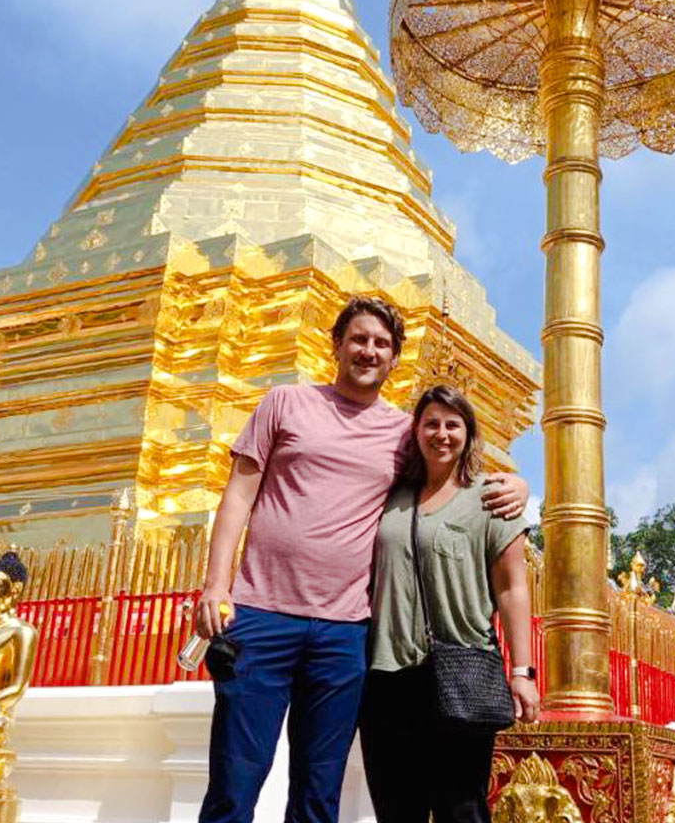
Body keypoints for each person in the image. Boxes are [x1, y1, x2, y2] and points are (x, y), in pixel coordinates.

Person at [194, 297, 529, 823]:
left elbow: (453, 472)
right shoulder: (284, 404)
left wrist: (518, 483)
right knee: (236, 781)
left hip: (345, 630)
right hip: (262, 614)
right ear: (337, 345)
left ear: (395, 358)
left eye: (381, 344)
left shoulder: (404, 434)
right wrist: (216, 586)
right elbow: (238, 495)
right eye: (359, 339)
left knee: (318, 790)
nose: (368, 351)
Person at [359, 385, 541, 823]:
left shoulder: (492, 498)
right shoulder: (391, 498)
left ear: (469, 434)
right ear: (416, 432)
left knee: (461, 808)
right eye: (431, 424)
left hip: (461, 667)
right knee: (395, 807)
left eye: (452, 425)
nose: (441, 434)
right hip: (387, 675)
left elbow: (513, 587)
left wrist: (522, 671)